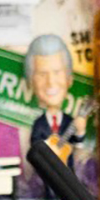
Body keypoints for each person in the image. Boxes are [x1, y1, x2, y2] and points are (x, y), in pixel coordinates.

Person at [25, 33, 86, 163]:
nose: (51, 82)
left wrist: (80, 131)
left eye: (57, 72)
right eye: (42, 74)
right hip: (46, 174)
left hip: (68, 175)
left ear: (69, 79)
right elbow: (34, 146)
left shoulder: (69, 121)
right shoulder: (39, 123)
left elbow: (77, 145)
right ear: (31, 81)